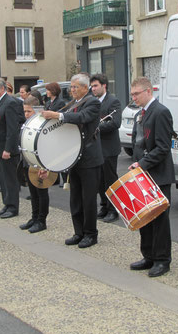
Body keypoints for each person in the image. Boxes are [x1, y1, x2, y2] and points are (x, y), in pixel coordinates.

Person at [42, 73, 103, 249]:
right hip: (74, 157)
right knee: (75, 198)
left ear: (86, 87)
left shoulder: (92, 102)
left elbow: (82, 117)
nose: (72, 90)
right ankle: (79, 232)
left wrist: (58, 115)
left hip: (90, 158)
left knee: (88, 199)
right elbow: (66, 116)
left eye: (75, 87)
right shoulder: (74, 102)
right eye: (72, 87)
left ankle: (91, 234)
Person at [127, 77, 174, 277]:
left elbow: (163, 147)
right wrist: (136, 166)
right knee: (145, 217)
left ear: (148, 91)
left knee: (159, 220)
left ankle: (162, 260)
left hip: (158, 174)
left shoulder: (161, 112)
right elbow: (139, 143)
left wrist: (143, 164)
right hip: (142, 174)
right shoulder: (141, 113)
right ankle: (148, 256)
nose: (134, 97)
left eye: (137, 94)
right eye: (132, 94)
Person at [0, 78, 24, 219]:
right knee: (2, 179)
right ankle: (6, 204)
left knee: (10, 180)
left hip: (6, 150)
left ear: (3, 88)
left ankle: (13, 207)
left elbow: (12, 129)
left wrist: (8, 149)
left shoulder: (10, 103)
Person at [90, 74, 122, 223]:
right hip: (96, 147)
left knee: (110, 180)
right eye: (92, 86)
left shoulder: (113, 101)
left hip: (109, 148)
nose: (93, 88)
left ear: (104, 86)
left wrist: (96, 128)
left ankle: (113, 209)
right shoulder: (93, 101)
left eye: (96, 86)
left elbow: (115, 123)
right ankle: (104, 205)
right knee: (99, 181)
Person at [19, 96, 50, 233]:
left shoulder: (44, 124)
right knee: (33, 192)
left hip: (40, 163)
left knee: (41, 192)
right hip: (28, 161)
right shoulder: (27, 123)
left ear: (37, 111)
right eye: (24, 111)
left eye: (28, 112)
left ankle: (42, 221)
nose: (26, 115)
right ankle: (34, 217)